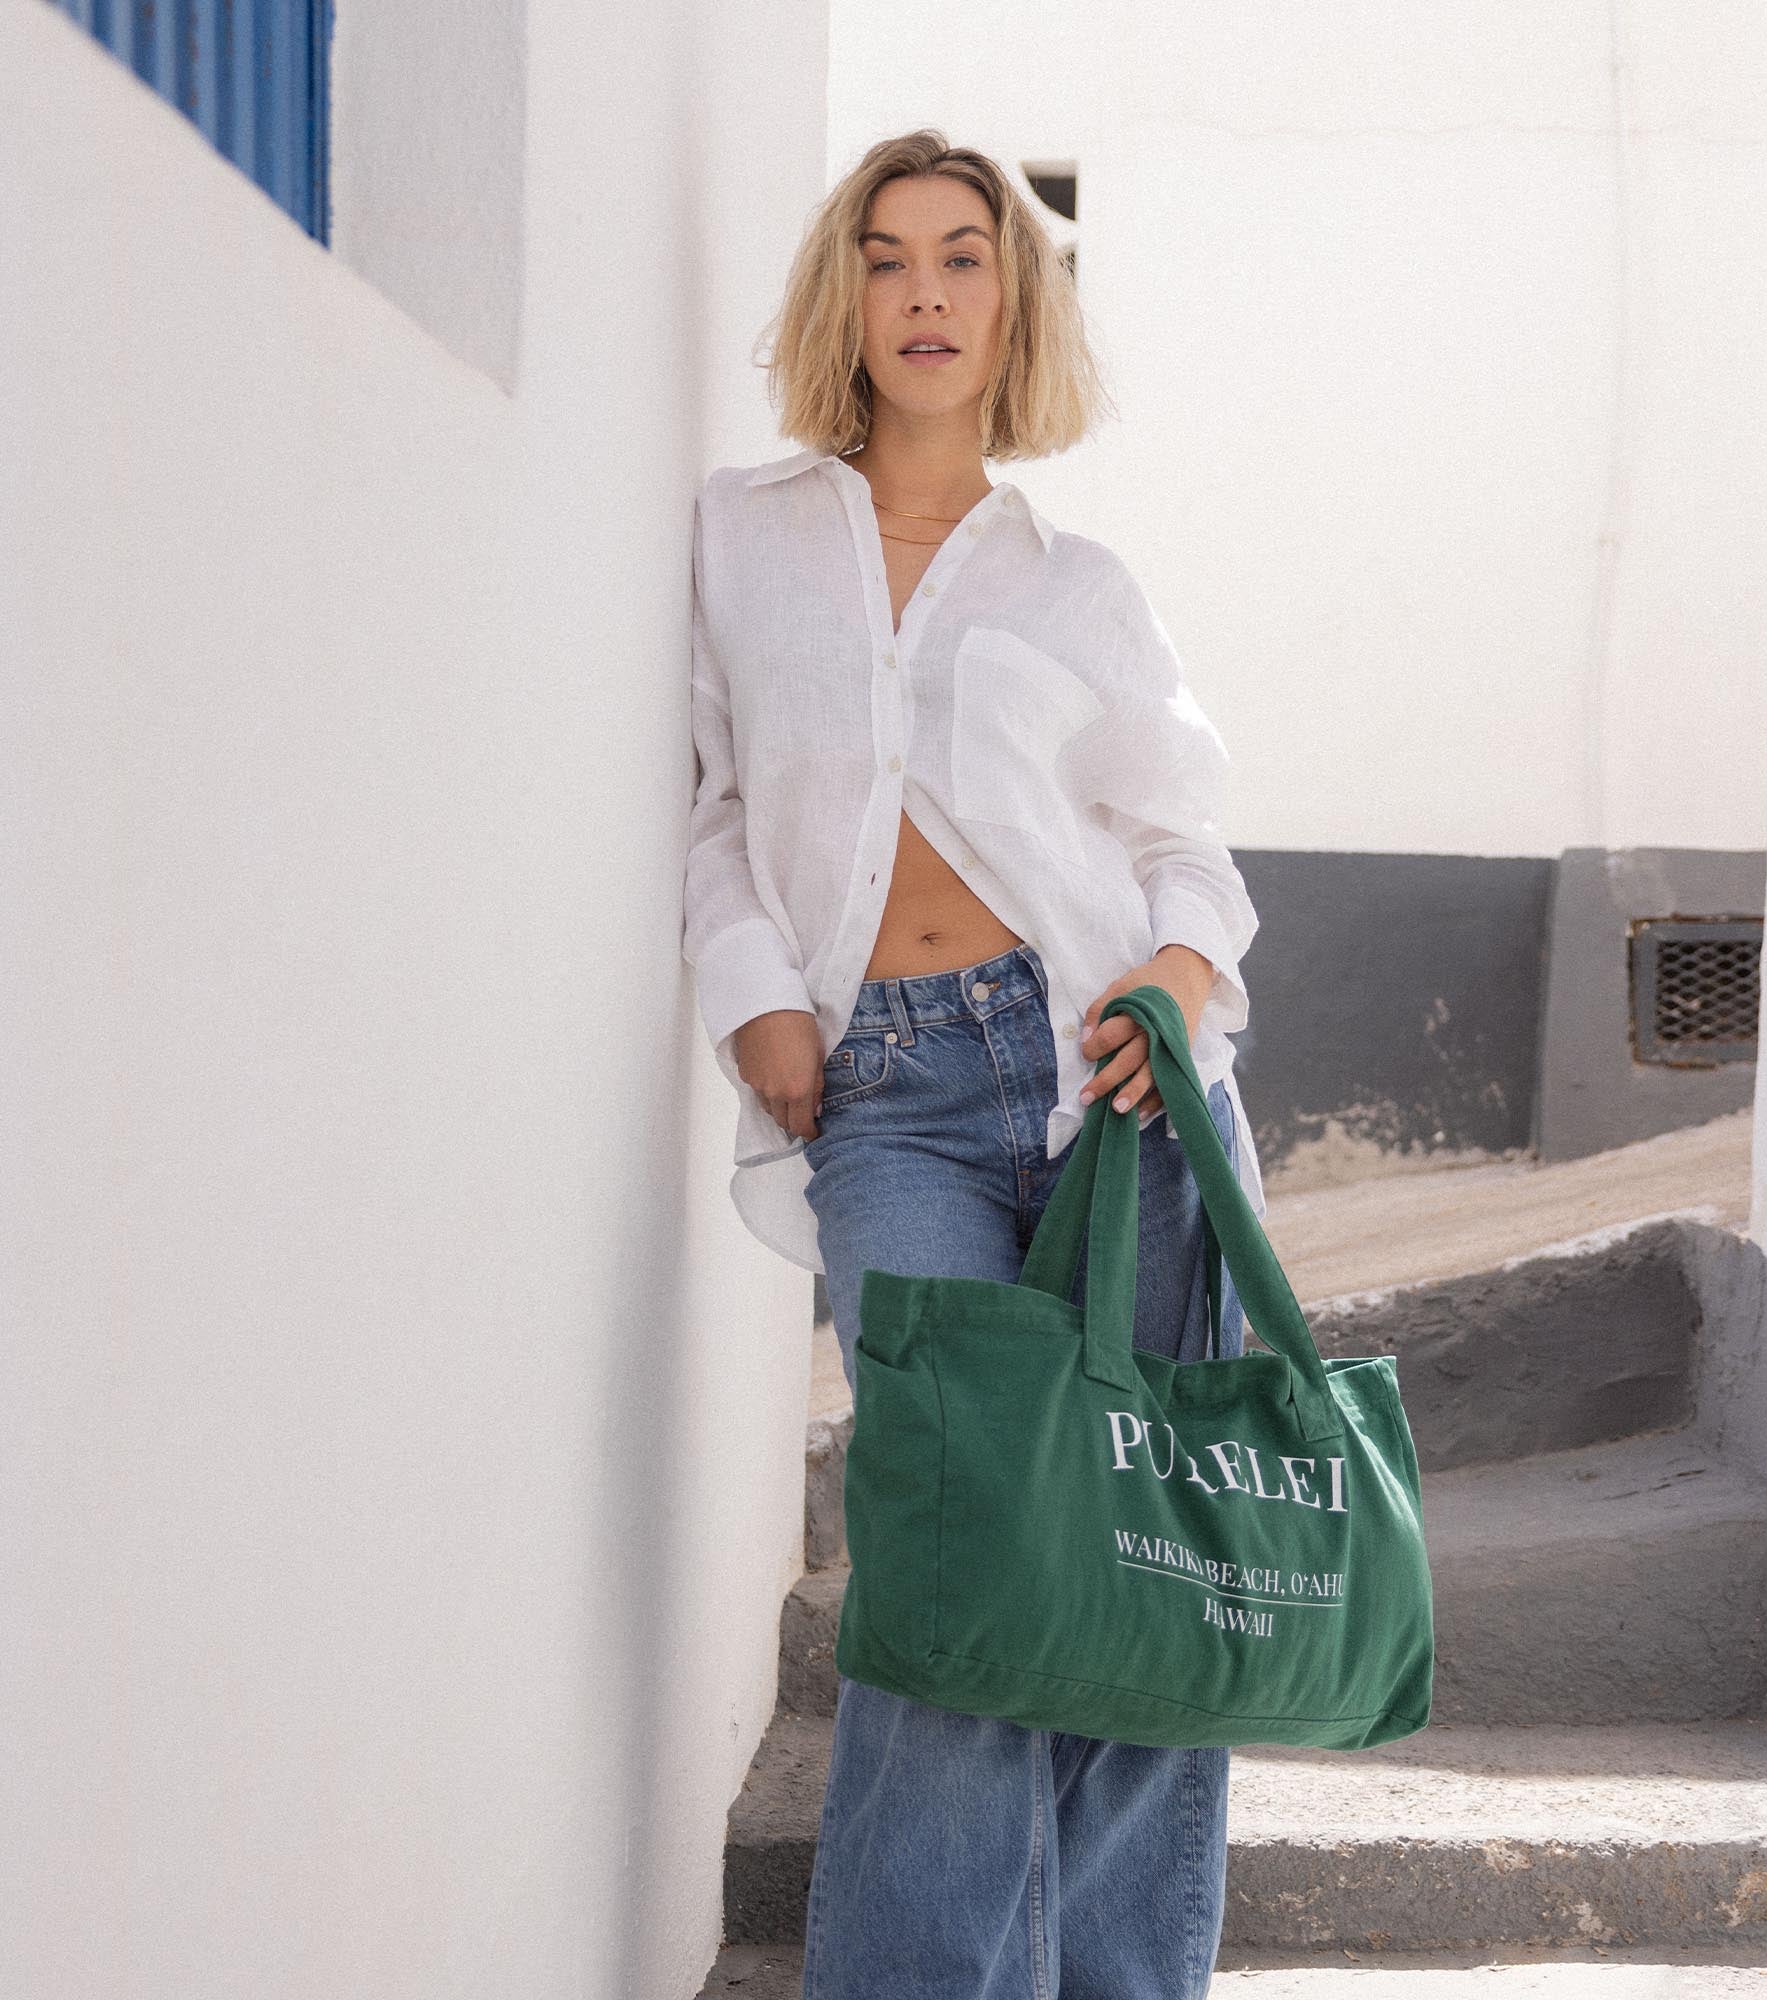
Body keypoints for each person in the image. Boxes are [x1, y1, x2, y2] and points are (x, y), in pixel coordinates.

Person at [682, 127, 1265, 2000]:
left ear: (1015, 305)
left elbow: (1187, 851)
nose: (926, 293)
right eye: (888, 257)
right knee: (948, 1572)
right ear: (841, 298)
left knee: (1135, 1573)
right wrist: (756, 985)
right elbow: (703, 803)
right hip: (894, 1098)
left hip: (1113, 1091)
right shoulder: (739, 534)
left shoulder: (1075, 582)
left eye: (964, 258)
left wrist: (1180, 973)